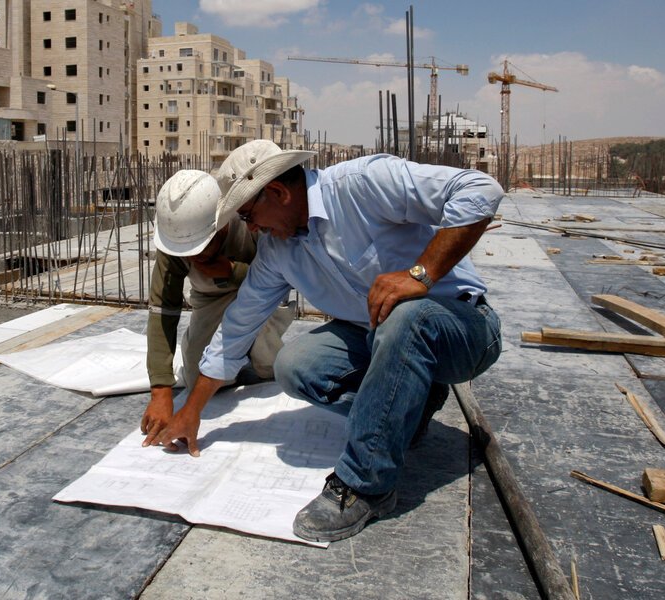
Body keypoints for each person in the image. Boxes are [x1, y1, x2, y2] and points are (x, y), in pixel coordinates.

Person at [141, 141, 504, 543]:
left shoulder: (362, 184)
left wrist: (421, 274)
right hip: (379, 336)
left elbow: (480, 190)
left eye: (249, 216)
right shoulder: (279, 252)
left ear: (278, 193)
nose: (253, 229)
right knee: (294, 367)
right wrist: (191, 409)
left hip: (462, 327)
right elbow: (236, 329)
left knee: (406, 317)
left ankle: (367, 483)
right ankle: (408, 406)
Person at [141, 170, 293, 436]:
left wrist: (230, 271)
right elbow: (162, 310)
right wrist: (161, 391)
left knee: (271, 367)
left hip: (261, 296)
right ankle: (219, 347)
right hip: (209, 299)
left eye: (200, 245)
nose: (194, 255)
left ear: (221, 224)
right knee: (196, 377)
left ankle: (258, 349)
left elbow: (283, 277)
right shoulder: (176, 236)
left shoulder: (250, 220)